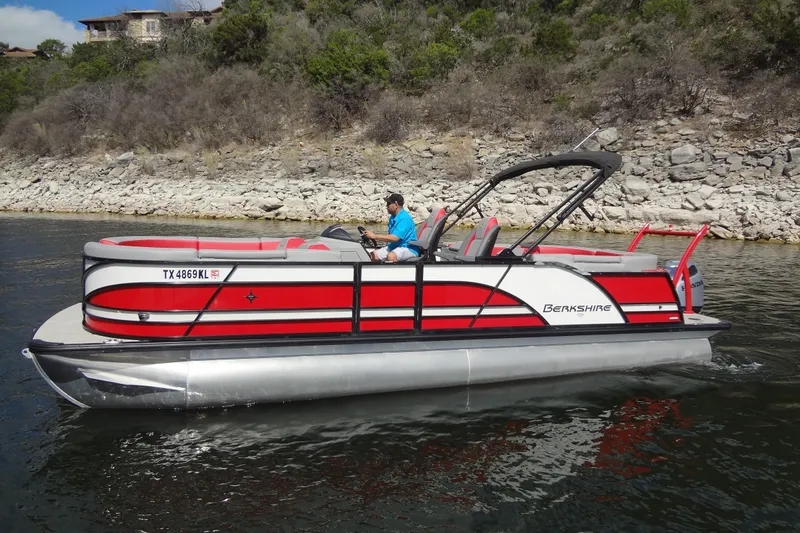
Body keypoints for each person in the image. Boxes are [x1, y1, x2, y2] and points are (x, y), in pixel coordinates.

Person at [364, 193, 420, 262]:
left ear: (396, 204)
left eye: (388, 204)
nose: (386, 206)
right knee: (372, 256)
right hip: (394, 246)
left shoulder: (404, 218)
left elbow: (395, 238)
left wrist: (375, 236)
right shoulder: (392, 217)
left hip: (408, 248)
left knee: (391, 256)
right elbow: (389, 236)